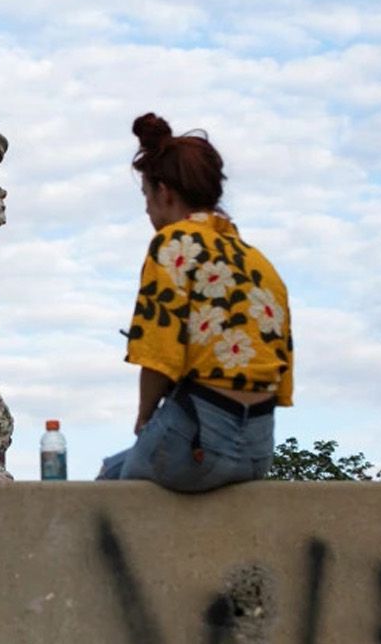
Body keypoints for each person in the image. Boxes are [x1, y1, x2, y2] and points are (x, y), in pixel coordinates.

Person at [97, 113, 294, 491]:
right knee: (118, 467)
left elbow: (159, 356)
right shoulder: (257, 260)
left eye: (147, 196)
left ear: (165, 192)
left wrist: (144, 418)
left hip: (199, 441)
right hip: (258, 446)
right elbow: (281, 373)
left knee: (110, 487)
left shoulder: (174, 244)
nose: (147, 209)